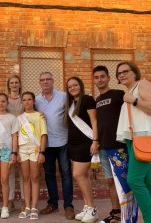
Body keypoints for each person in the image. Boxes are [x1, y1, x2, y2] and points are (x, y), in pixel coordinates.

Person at [116, 61, 151, 223]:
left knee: (134, 180)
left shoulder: (142, 84)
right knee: (148, 183)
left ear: (134, 73)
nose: (121, 74)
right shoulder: (130, 91)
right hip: (134, 141)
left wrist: (134, 100)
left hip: (143, 139)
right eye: (119, 73)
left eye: (125, 71)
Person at [94, 65, 138, 222]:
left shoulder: (118, 94)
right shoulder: (97, 100)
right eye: (97, 77)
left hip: (119, 146)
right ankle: (116, 214)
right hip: (104, 148)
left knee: (124, 181)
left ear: (108, 78)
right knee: (110, 181)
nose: (100, 80)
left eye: (102, 76)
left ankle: (130, 216)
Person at [35, 72, 75, 220]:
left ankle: (68, 205)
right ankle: (52, 203)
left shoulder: (64, 96)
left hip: (63, 141)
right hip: (45, 144)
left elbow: (74, 112)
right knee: (49, 175)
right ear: (39, 83)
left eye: (48, 79)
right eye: (42, 80)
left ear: (53, 81)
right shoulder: (36, 100)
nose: (45, 82)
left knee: (66, 174)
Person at [65, 77, 99, 223]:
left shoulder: (88, 99)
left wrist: (96, 141)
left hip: (86, 143)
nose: (73, 88)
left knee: (78, 174)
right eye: (70, 86)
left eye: (75, 85)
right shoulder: (71, 103)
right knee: (84, 176)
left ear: (81, 85)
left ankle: (92, 209)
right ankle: (87, 206)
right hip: (73, 145)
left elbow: (94, 121)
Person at [17, 92, 48, 220]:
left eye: (29, 99)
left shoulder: (39, 116)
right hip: (23, 150)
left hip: (35, 149)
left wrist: (42, 152)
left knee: (35, 177)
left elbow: (43, 135)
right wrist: (17, 152)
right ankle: (27, 207)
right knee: (26, 178)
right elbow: (17, 136)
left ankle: (34, 206)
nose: (27, 102)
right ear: (22, 102)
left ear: (33, 101)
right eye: (24, 100)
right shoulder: (19, 118)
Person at [6, 75, 25, 210]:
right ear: (8, 85)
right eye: (12, 83)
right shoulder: (4, 100)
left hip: (24, 138)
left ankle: (24, 199)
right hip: (8, 138)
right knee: (10, 171)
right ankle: (10, 199)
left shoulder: (24, 99)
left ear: (19, 85)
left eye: (16, 82)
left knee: (23, 172)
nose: (14, 85)